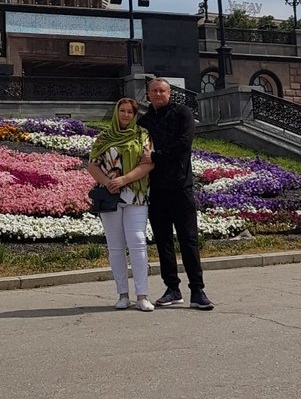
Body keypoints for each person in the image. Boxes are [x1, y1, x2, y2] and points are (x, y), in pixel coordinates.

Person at [139, 78, 214, 310]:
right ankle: (172, 288)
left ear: (169, 93)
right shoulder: (144, 121)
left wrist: (156, 156)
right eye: (154, 91)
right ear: (148, 95)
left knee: (188, 239)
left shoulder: (183, 113)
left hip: (181, 187)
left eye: (162, 90)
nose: (158, 94)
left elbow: (184, 143)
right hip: (157, 189)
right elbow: (137, 148)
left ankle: (197, 290)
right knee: (163, 241)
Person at [87, 97, 155, 312]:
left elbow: (148, 164)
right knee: (115, 246)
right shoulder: (104, 137)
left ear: (135, 116)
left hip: (136, 196)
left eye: (130, 112)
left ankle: (142, 295)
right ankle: (122, 295)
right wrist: (108, 182)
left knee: (137, 242)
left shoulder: (142, 135)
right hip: (110, 197)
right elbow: (92, 165)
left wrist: (124, 180)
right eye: (122, 111)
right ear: (116, 113)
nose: (125, 115)